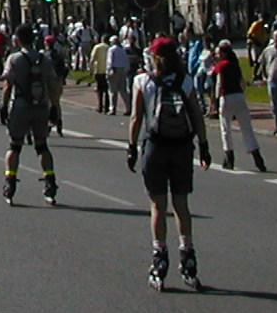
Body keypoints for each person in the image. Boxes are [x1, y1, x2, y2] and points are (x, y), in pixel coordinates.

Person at [127, 35, 210, 291]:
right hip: (182, 147)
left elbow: (136, 118)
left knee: (158, 205)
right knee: (181, 204)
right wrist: (204, 145)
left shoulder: (143, 81)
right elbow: (196, 114)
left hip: (155, 147)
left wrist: (131, 147)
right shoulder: (185, 81)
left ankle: (160, 257)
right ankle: (188, 256)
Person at [0, 25, 61, 206]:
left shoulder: (14, 59)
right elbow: (53, 85)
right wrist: (54, 107)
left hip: (20, 105)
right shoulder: (44, 59)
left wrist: (4, 106)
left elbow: (7, 84)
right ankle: (50, 181)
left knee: (14, 146)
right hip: (41, 107)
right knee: (42, 146)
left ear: (18, 40)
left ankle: (10, 182)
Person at [210, 40, 267, 172]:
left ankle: (229, 157)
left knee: (226, 129)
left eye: (219, 53)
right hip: (239, 97)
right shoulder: (236, 65)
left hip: (226, 97)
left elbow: (219, 84)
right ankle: (257, 157)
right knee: (247, 128)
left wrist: (216, 101)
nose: (217, 56)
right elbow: (242, 84)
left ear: (223, 54)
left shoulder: (221, 66)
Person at [90, 32, 111, 113]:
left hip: (98, 70)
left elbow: (92, 58)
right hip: (107, 70)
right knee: (107, 89)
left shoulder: (97, 47)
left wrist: (91, 69)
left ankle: (100, 105)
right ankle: (107, 106)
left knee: (99, 89)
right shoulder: (110, 48)